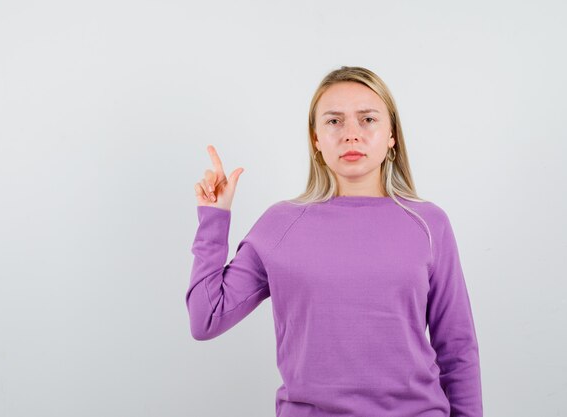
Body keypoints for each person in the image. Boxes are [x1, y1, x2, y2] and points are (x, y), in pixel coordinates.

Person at [186, 66, 483, 417]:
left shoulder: (429, 223)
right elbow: (206, 319)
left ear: (392, 135)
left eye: (368, 119)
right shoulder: (280, 224)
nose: (351, 135)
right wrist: (214, 218)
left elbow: (457, 350)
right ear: (315, 139)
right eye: (334, 121)